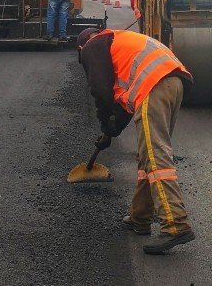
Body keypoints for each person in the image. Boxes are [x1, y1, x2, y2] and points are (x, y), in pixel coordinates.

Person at [76, 27, 195, 255]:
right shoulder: (116, 43)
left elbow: (101, 91)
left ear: (82, 47)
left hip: (155, 85)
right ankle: (140, 217)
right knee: (146, 154)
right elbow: (123, 104)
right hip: (173, 82)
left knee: (155, 155)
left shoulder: (92, 46)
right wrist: (111, 132)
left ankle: (175, 224)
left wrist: (104, 122)